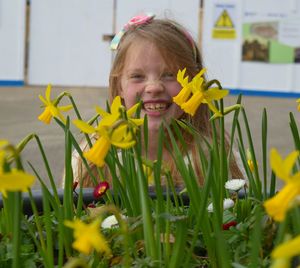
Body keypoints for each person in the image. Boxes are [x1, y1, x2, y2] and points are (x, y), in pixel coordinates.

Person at [70, 13, 244, 189]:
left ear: (193, 81)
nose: (154, 87)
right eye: (137, 76)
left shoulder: (214, 154)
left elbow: (242, 206)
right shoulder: (89, 154)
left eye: (170, 75)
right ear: (119, 86)